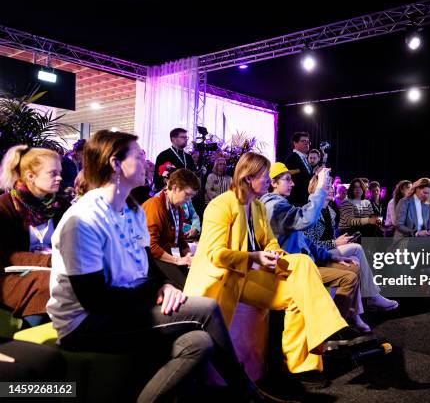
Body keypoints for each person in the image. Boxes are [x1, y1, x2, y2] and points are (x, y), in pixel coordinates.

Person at [46, 130, 279, 402]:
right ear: (115, 164)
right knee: (206, 309)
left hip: (120, 311)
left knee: (199, 343)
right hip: (84, 324)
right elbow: (95, 300)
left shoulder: (131, 211)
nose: (147, 161)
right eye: (138, 155)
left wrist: (163, 285)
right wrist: (153, 293)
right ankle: (247, 394)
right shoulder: (83, 220)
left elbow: (146, 267)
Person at [183, 152, 361, 388]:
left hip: (248, 273)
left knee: (302, 266)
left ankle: (303, 363)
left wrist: (275, 254)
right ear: (248, 177)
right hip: (223, 278)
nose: (269, 180)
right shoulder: (220, 205)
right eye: (265, 176)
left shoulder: (256, 206)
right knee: (302, 269)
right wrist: (254, 256)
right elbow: (216, 255)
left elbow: (270, 242)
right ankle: (329, 332)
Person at [261, 163, 371, 333]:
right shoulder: (275, 206)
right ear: (273, 183)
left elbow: (305, 241)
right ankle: (331, 330)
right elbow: (308, 221)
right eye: (287, 180)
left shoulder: (290, 205)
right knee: (349, 276)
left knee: (353, 267)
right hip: (293, 268)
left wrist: (333, 256)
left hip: (306, 261)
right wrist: (320, 187)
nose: (292, 183)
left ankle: (346, 317)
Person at [303, 174, 398, 312]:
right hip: (316, 257)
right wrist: (335, 243)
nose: (331, 189)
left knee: (354, 259)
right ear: (316, 188)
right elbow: (309, 246)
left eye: (330, 186)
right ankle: (372, 296)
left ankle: (356, 314)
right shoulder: (310, 211)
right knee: (357, 248)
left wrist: (341, 240)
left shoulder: (330, 211)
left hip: (332, 249)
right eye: (327, 186)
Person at [0, 145, 70, 328]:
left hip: (56, 267)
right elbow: (5, 255)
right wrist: (47, 261)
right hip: (13, 275)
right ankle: (30, 341)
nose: (60, 177)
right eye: (52, 173)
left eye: (60, 172)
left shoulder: (61, 206)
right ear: (30, 176)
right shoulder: (5, 207)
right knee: (48, 284)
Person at [143, 168, 200, 288]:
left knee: (196, 278)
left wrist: (189, 255)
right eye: (187, 194)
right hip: (151, 259)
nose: (188, 200)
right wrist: (177, 260)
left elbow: (179, 238)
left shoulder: (178, 209)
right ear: (174, 188)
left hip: (167, 255)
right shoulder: (155, 206)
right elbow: (151, 247)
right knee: (184, 286)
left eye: (191, 196)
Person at [285, 132, 312, 206]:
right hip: (297, 201)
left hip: (306, 200)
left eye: (308, 142)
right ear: (295, 143)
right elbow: (296, 179)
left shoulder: (305, 159)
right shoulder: (292, 158)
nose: (306, 143)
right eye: (303, 141)